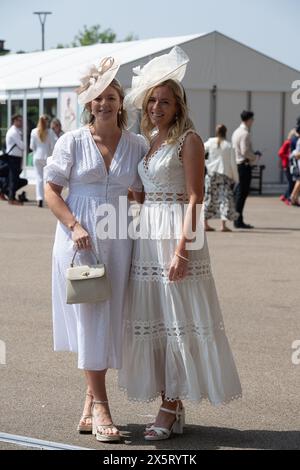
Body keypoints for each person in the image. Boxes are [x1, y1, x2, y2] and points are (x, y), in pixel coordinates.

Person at [119, 47, 242, 441]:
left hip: (175, 233)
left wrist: (181, 250)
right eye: (152, 100)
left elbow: (194, 196)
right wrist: (130, 196)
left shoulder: (188, 139)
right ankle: (171, 399)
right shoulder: (148, 139)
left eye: (165, 101)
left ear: (178, 105)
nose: (157, 106)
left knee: (176, 318)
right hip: (149, 232)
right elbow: (151, 190)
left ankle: (169, 406)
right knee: (155, 318)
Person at [44, 56, 148, 443]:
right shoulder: (71, 141)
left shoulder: (136, 144)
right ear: (88, 103)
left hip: (121, 238)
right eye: (97, 97)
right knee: (91, 320)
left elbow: (141, 192)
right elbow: (51, 192)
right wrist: (74, 226)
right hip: (80, 239)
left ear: (121, 102)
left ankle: (90, 401)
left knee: (112, 319)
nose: (104, 103)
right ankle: (102, 407)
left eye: (111, 96)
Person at [204, 124, 239, 232]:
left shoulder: (209, 143)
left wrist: (206, 163)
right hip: (224, 175)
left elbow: (201, 152)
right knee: (225, 199)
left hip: (211, 174)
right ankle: (223, 225)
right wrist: (236, 178)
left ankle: (205, 223)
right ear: (226, 132)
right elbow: (233, 163)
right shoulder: (229, 146)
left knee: (209, 198)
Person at [231, 110, 260, 229]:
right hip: (244, 165)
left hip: (238, 165)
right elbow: (245, 151)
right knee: (242, 194)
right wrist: (255, 156)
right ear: (249, 120)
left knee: (239, 193)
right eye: (252, 119)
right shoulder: (245, 133)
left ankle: (238, 219)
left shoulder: (236, 132)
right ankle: (238, 220)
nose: (253, 122)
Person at [30, 115, 55, 207]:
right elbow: (53, 146)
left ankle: (39, 198)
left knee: (39, 178)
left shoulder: (33, 131)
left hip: (37, 157)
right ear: (47, 122)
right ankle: (47, 198)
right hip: (47, 157)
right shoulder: (50, 132)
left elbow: (32, 146)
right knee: (46, 179)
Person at [5, 114, 27, 205]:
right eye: (19, 120)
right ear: (14, 121)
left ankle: (11, 196)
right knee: (13, 179)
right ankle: (11, 198)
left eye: (21, 120)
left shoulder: (17, 131)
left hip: (16, 158)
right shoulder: (13, 132)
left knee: (14, 178)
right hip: (13, 158)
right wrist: (24, 145)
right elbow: (22, 145)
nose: (21, 122)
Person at [278, 130, 295, 205]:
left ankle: (284, 196)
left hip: (289, 165)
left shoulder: (291, 143)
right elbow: (280, 153)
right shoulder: (287, 143)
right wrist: (288, 156)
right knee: (291, 182)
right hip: (287, 165)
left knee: (291, 182)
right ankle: (288, 198)